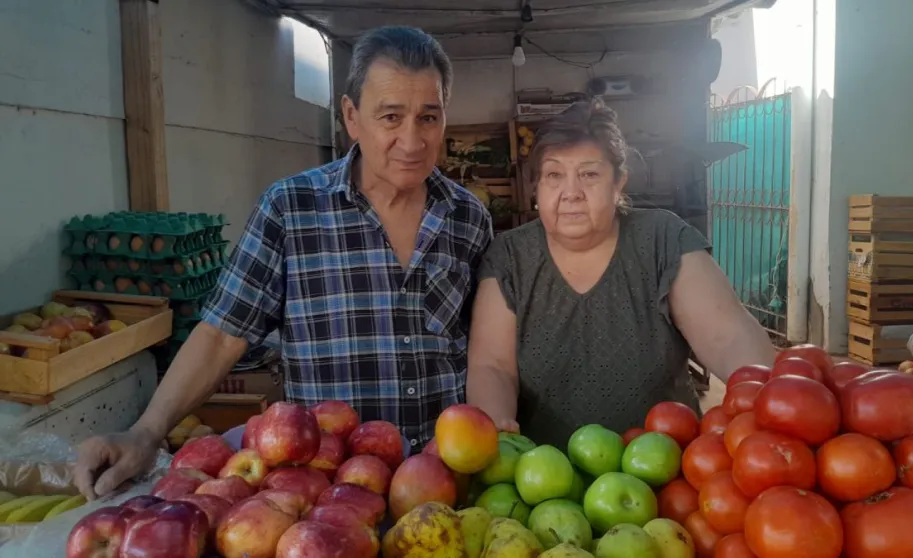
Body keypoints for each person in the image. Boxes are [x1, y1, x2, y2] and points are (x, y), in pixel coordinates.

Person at [72, 26, 492, 500]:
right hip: (328, 497)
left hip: (446, 484)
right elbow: (221, 334)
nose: (412, 140)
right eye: (391, 117)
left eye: (428, 117)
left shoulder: (467, 217)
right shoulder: (291, 209)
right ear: (352, 118)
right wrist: (146, 432)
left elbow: (487, 348)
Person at [465, 99, 776, 447]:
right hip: (543, 482)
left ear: (618, 184)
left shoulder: (662, 240)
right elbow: (492, 365)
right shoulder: (510, 257)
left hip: (666, 473)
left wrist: (773, 405)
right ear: (536, 187)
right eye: (554, 175)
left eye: (589, 174)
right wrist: (496, 427)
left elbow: (727, 337)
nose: (571, 193)